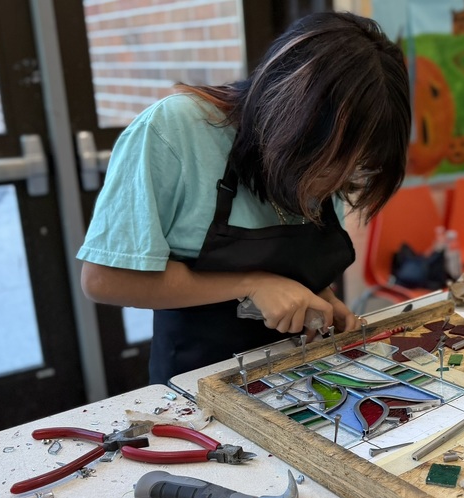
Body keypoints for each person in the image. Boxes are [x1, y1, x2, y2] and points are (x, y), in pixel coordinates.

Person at [77, 12, 411, 384]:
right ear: (290, 120)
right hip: (200, 386)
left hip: (294, 377)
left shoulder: (333, 161)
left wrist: (320, 298)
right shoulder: (177, 130)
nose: (338, 179)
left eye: (356, 166)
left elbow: (295, 257)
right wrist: (252, 285)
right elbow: (103, 279)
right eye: (331, 162)